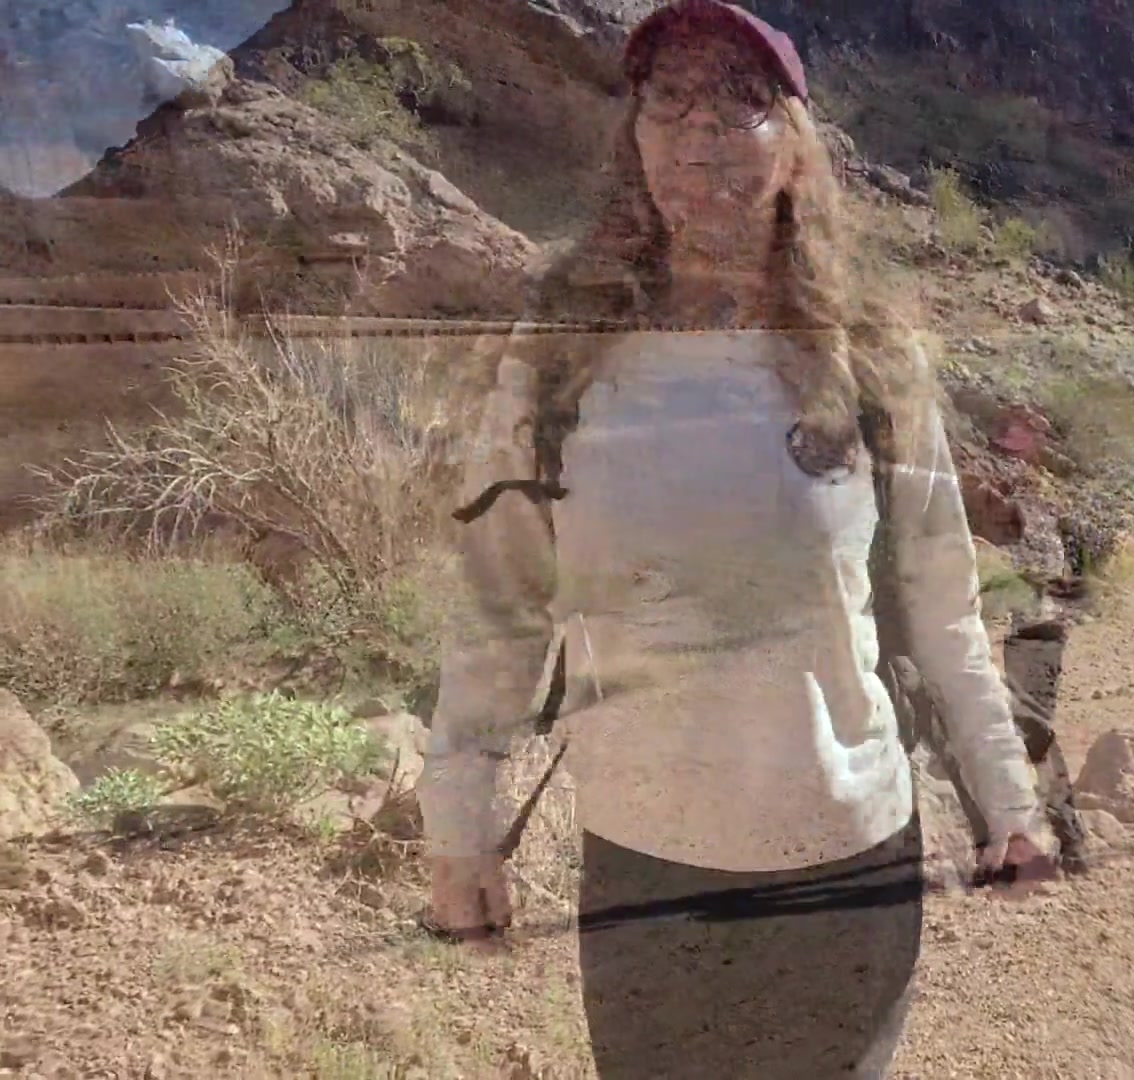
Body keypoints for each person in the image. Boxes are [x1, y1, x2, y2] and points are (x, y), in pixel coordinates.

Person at [416, 2, 1055, 1076]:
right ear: (633, 137)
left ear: (794, 144)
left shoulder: (871, 360)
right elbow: (499, 608)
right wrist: (459, 827)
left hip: (847, 860)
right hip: (645, 866)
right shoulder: (561, 359)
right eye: (667, 99)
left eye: (738, 101)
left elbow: (943, 607)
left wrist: (1010, 803)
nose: (698, 131)